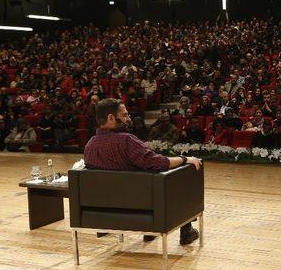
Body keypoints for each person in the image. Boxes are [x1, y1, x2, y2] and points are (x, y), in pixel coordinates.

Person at [83, 98, 203, 245]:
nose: (129, 118)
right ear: (111, 118)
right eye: (125, 115)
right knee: (186, 170)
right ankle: (186, 232)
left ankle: (149, 232)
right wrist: (184, 158)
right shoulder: (127, 141)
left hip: (107, 210)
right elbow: (159, 163)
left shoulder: (89, 146)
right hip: (143, 207)